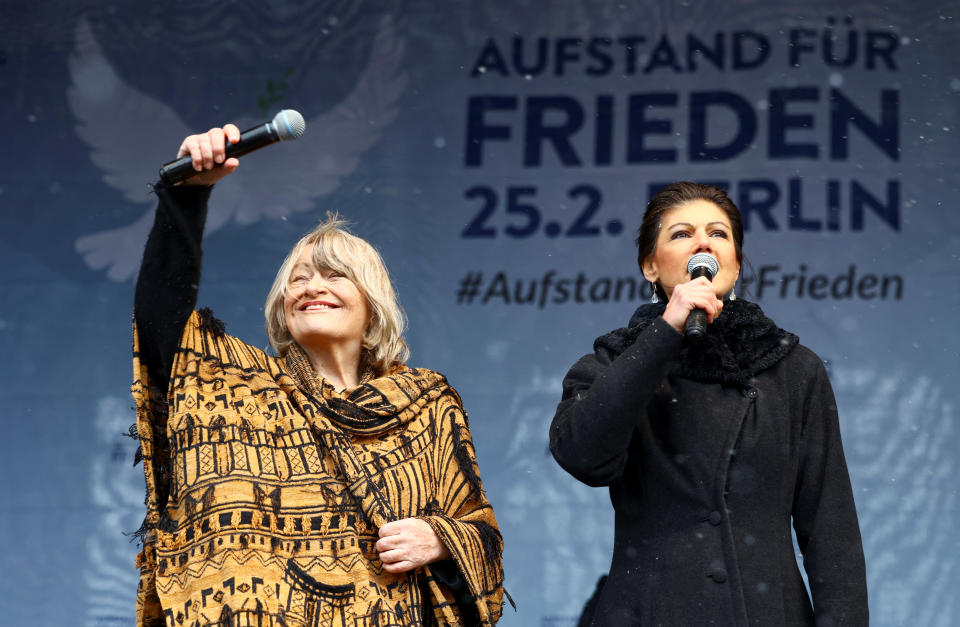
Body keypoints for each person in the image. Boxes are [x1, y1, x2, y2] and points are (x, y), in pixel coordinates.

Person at [131, 124, 504, 626]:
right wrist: (186, 197)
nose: (311, 285)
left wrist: (439, 540)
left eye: (333, 274)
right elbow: (163, 322)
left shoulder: (427, 403)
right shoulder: (236, 389)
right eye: (298, 278)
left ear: (373, 307)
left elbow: (481, 531)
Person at [549, 182, 868, 626]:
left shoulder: (793, 368)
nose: (703, 242)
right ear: (650, 266)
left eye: (718, 234)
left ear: (735, 263)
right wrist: (664, 334)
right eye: (681, 234)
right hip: (651, 611)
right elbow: (583, 456)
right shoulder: (611, 363)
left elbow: (831, 530)